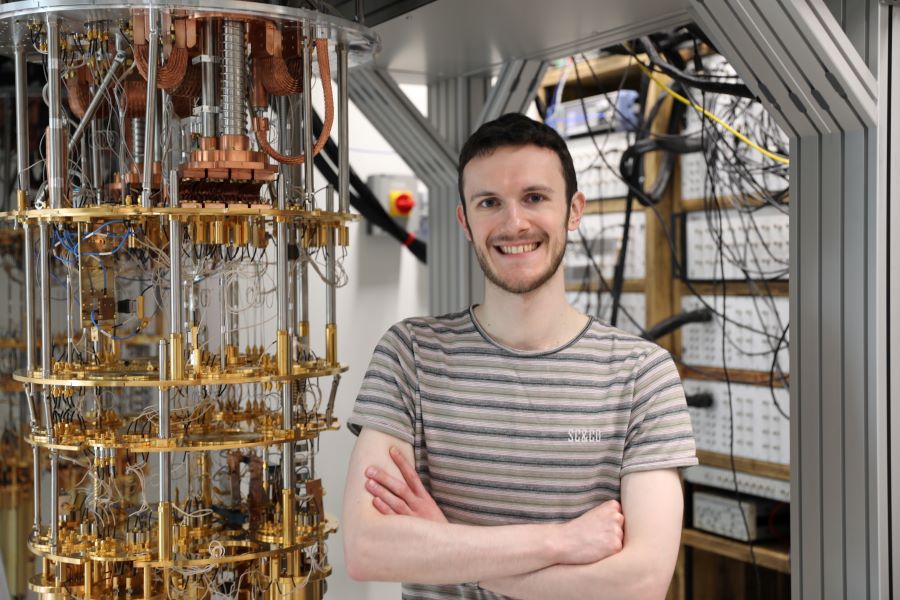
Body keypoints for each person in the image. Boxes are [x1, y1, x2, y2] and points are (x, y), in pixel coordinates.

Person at [342, 113, 697, 599]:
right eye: (490, 202)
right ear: (465, 220)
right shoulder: (411, 357)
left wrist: (444, 544)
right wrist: (560, 540)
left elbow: (641, 585)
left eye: (534, 197)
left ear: (574, 210)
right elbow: (368, 549)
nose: (514, 223)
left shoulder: (643, 376)